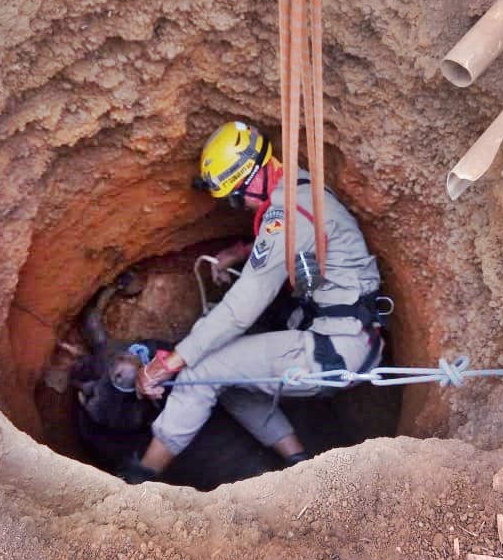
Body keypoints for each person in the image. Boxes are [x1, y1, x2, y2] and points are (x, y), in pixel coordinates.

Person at [122, 121, 383, 484]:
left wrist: (171, 363)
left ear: (252, 177)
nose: (239, 205)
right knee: (226, 373)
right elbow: (296, 237)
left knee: (201, 371)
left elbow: (241, 309)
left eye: (235, 196)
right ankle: (299, 461)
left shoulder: (285, 215)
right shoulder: (297, 185)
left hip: (338, 348)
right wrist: (240, 251)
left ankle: (141, 478)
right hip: (346, 332)